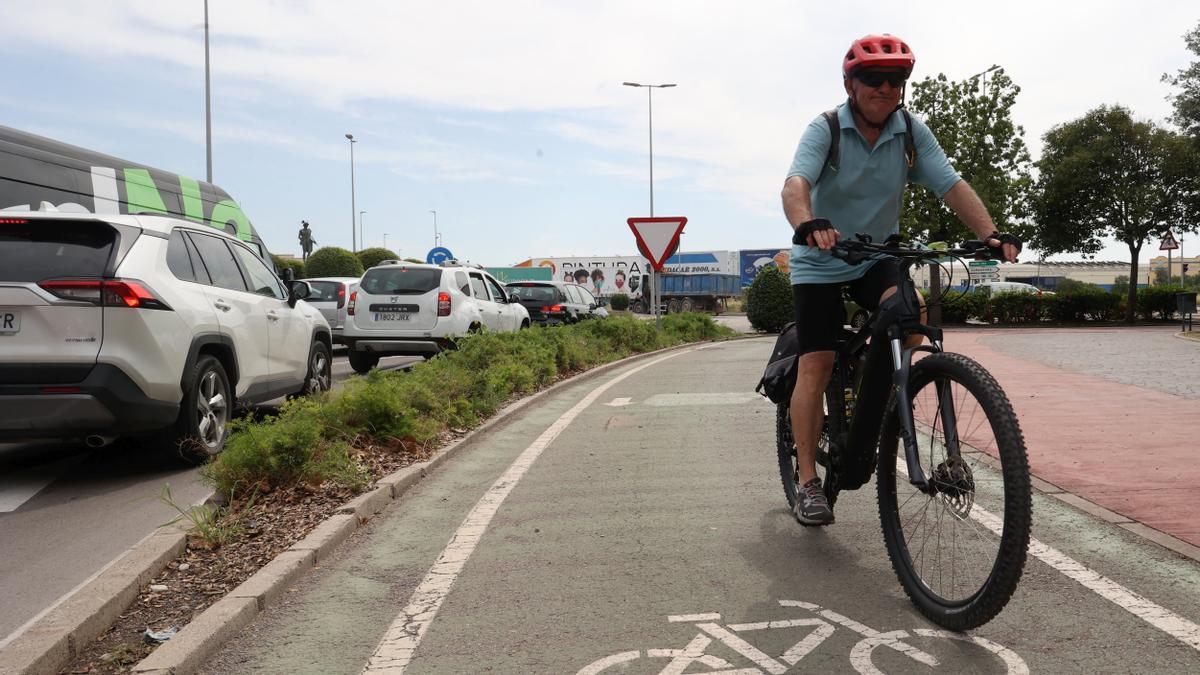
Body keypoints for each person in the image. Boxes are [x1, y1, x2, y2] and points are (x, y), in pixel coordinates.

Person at [780, 33, 1021, 526]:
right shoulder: (825, 128)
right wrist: (806, 223)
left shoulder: (909, 132)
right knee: (817, 362)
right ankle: (808, 482)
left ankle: (898, 415)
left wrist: (991, 233)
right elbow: (795, 184)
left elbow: (951, 185)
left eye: (896, 80)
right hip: (820, 258)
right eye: (873, 79)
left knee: (911, 328)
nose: (885, 89)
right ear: (850, 84)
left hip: (875, 257)